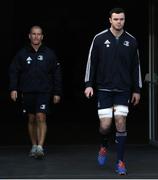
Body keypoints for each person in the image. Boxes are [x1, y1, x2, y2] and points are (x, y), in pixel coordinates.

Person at [84, 8, 142, 175]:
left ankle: (120, 162)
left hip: (123, 90)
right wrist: (88, 84)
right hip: (104, 89)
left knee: (121, 122)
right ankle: (104, 144)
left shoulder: (131, 41)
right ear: (110, 19)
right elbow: (91, 63)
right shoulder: (100, 38)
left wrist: (137, 90)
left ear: (125, 20)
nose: (119, 22)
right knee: (105, 126)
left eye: (122, 19)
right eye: (116, 19)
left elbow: (135, 67)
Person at [9, 25, 62, 159]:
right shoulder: (22, 53)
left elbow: (57, 73)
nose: (36, 36)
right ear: (29, 36)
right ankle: (33, 145)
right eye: (34, 34)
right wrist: (13, 88)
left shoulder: (49, 53)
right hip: (27, 91)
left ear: (42, 36)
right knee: (31, 119)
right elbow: (14, 71)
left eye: (39, 34)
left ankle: (40, 147)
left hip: (44, 91)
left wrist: (57, 92)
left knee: (41, 117)